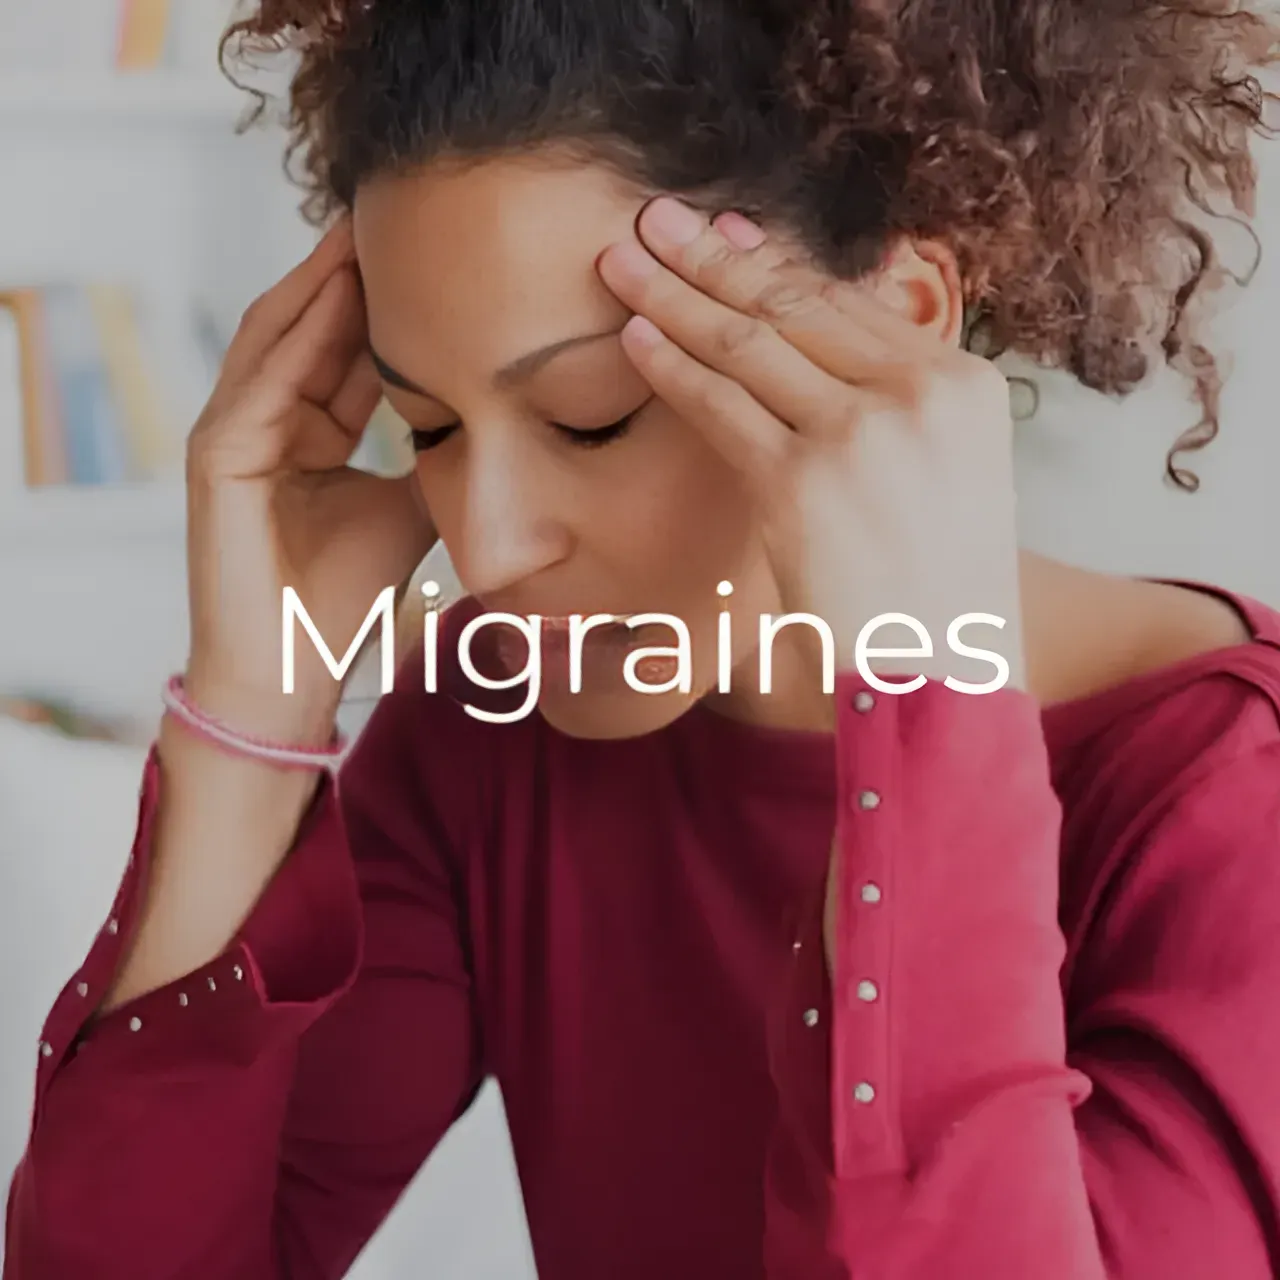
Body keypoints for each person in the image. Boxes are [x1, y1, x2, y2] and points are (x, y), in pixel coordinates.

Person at [6, 0, 1280, 1276]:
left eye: (590, 418)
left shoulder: (1222, 798)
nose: (485, 547)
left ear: (896, 320)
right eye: (428, 429)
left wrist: (925, 697)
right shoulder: (490, 724)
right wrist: (249, 714)